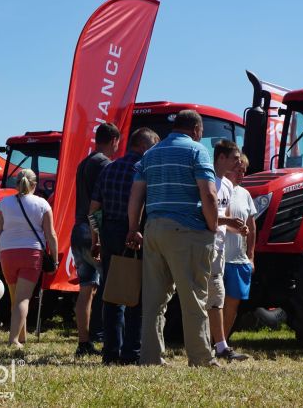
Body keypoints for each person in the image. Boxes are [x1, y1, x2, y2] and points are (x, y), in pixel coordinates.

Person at [127, 110, 220, 367]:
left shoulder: (150, 154)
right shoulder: (197, 151)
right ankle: (201, 358)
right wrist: (213, 226)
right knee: (193, 298)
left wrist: (134, 227)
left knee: (154, 300)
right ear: (197, 130)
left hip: (153, 229)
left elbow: (136, 195)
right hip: (187, 230)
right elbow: (209, 194)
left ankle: (151, 357)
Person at [89, 127, 159, 364]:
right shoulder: (146, 170)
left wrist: (96, 238)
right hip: (137, 232)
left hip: (109, 232)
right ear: (145, 146)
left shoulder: (108, 168)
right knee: (136, 293)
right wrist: (137, 229)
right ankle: (131, 352)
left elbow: (94, 209)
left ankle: (110, 352)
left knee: (112, 293)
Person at [0, 169, 58, 348]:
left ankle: (22, 336)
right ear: (34, 184)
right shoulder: (42, 204)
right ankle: (14, 340)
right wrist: (54, 259)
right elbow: (51, 234)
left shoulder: (4, 203)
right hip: (31, 253)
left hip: (7, 253)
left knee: (15, 298)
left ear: (16, 184)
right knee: (23, 299)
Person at [72, 122, 120, 357]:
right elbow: (98, 207)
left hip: (77, 229)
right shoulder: (104, 163)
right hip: (93, 230)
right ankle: (105, 337)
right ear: (113, 141)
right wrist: (98, 236)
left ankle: (83, 342)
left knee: (86, 288)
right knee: (110, 286)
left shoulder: (83, 163)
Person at [208, 141, 249, 361]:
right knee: (213, 297)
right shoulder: (207, 181)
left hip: (220, 248)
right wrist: (230, 221)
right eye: (234, 158)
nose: (237, 162)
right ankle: (215, 347)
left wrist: (237, 227)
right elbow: (207, 216)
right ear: (221, 158)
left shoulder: (226, 185)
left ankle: (219, 346)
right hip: (206, 246)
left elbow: (222, 219)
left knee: (216, 297)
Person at [222, 154, 257, 340]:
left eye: (244, 171)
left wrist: (251, 256)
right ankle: (213, 341)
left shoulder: (245, 194)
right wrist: (234, 228)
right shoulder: (219, 189)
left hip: (238, 258)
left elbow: (251, 227)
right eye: (238, 170)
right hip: (219, 256)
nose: (242, 174)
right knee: (215, 303)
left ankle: (221, 343)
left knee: (232, 304)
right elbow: (216, 220)